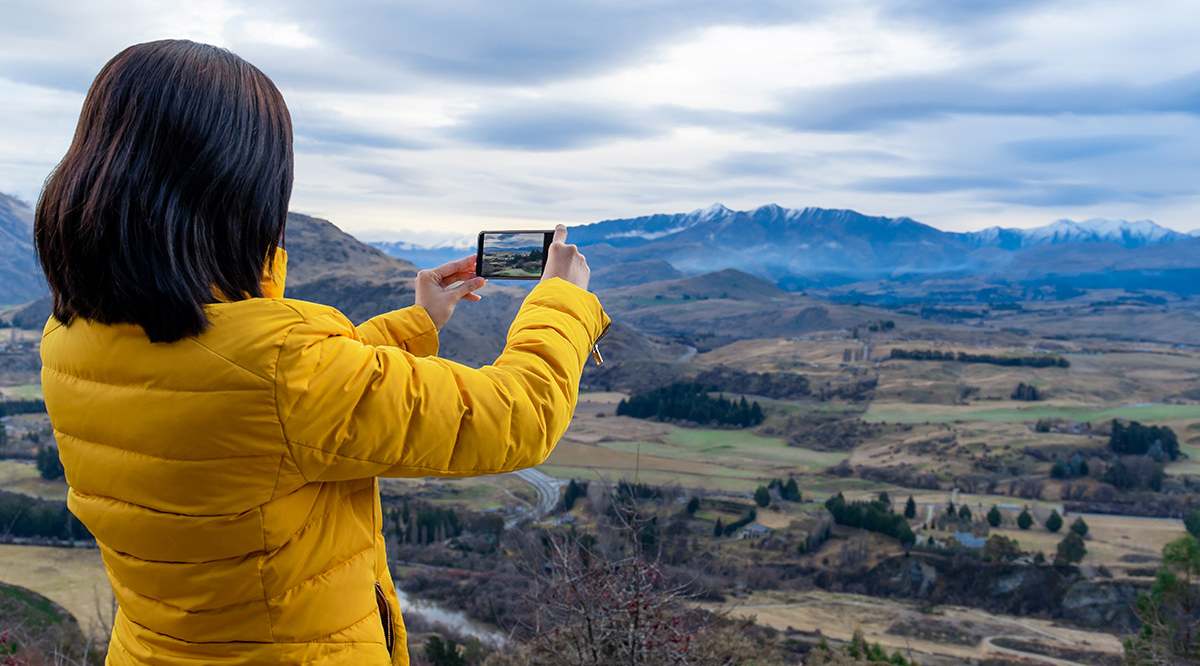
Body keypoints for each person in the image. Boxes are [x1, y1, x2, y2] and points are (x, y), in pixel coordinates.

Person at [35, 40, 608, 666]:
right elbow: (516, 419)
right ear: (239, 191)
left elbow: (258, 403)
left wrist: (416, 324)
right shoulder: (278, 367)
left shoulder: (71, 342)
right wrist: (561, 299)